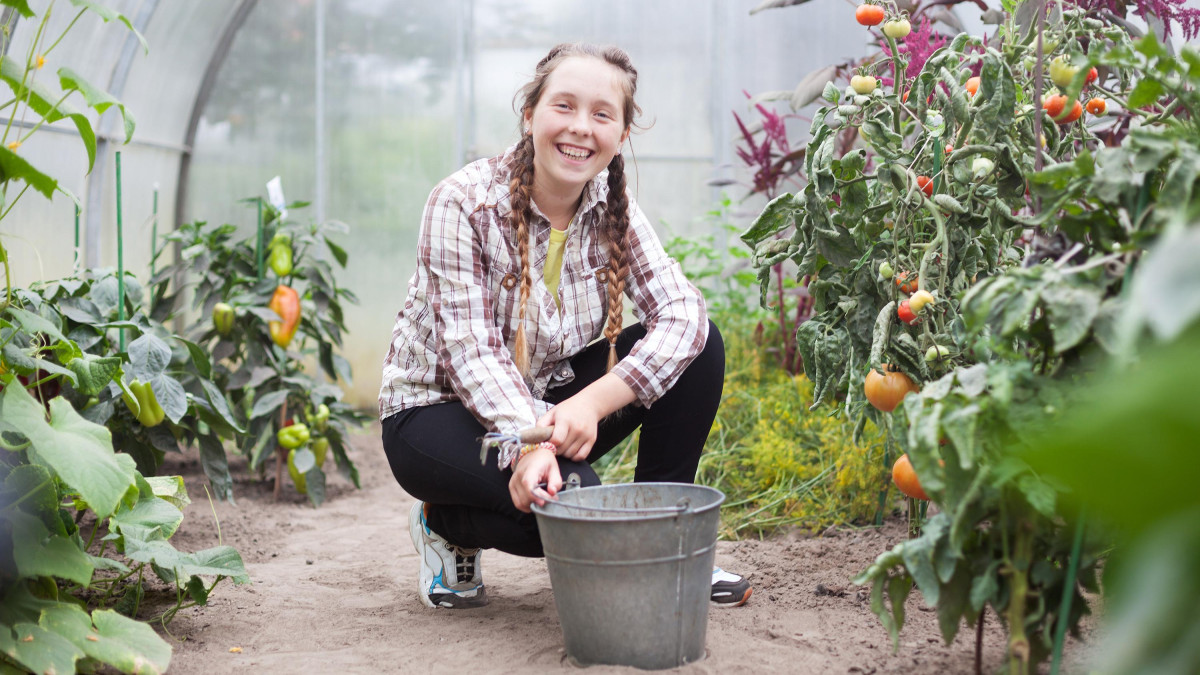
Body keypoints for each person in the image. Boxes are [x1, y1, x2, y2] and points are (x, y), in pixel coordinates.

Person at [379, 42, 751, 610]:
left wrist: (592, 404)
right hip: (435, 409)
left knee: (702, 349)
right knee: (569, 508)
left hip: (545, 396)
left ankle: (667, 539)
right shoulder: (463, 202)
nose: (581, 128)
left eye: (602, 114)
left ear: (622, 133)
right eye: (564, 106)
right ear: (529, 115)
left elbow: (684, 315)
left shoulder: (611, 204)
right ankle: (443, 522)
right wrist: (529, 448)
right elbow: (472, 352)